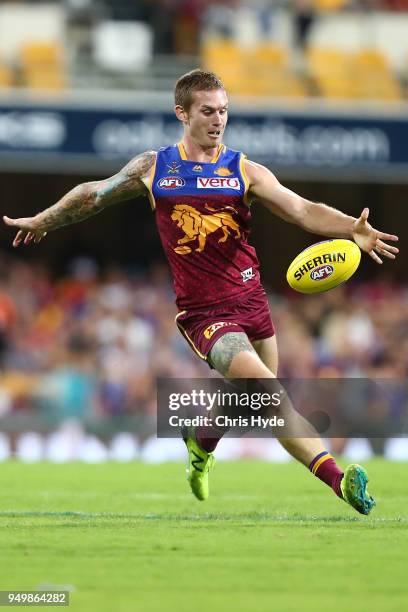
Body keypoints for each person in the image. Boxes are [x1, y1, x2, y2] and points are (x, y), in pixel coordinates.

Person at [3, 69, 399, 514]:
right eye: (208, 111)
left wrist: (353, 228)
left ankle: (201, 439)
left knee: (249, 403)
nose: (218, 120)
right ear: (182, 113)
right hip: (206, 315)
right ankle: (339, 480)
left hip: (252, 304)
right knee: (270, 393)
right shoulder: (155, 168)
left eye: (224, 111)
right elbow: (94, 195)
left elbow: (301, 209)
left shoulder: (244, 170)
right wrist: (44, 220)